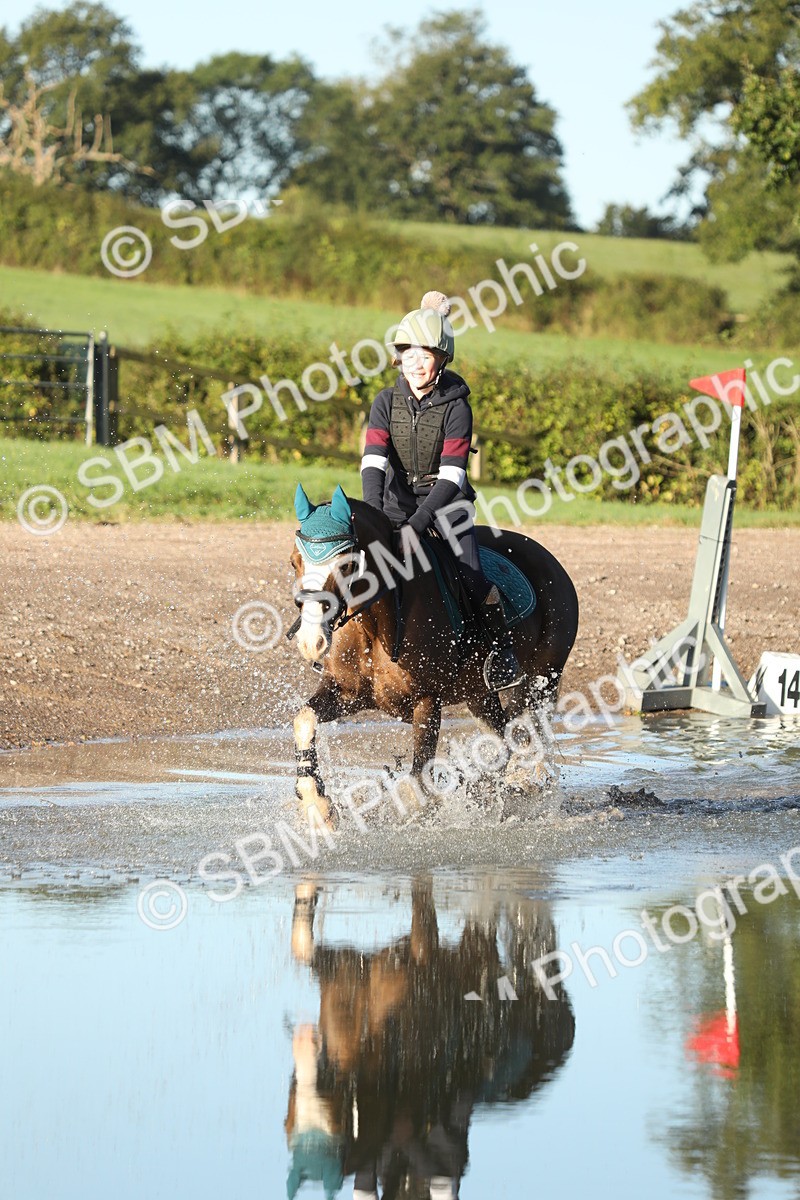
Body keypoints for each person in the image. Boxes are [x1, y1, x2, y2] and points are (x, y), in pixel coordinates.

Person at [360, 290, 523, 691]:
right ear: (399, 357)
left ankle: (500, 653)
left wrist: (417, 524)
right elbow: (373, 464)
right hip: (394, 504)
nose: (416, 363)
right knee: (357, 562)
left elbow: (451, 478)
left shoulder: (457, 407)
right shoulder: (384, 402)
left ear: (442, 358)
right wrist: (374, 515)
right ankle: (341, 646)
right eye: (408, 353)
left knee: (470, 575)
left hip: (448, 506)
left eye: (426, 354)